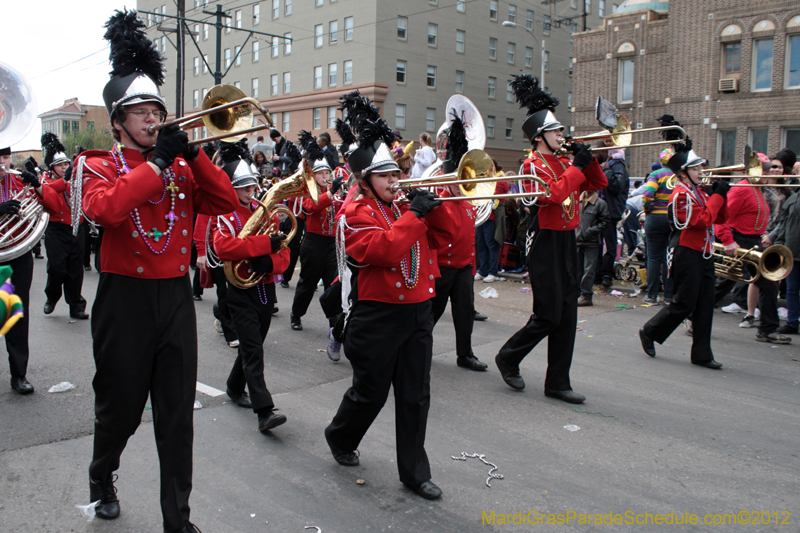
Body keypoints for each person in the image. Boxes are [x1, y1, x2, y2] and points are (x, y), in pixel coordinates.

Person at [78, 11, 238, 532]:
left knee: (176, 416)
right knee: (120, 412)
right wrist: (157, 166)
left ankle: (178, 520)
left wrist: (192, 152)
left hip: (173, 299)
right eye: (140, 113)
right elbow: (105, 210)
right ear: (118, 121)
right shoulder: (98, 164)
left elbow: (226, 198)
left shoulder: (181, 164)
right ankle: (103, 475)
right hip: (123, 301)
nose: (151, 120)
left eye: (156, 111)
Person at [324, 92, 445, 500]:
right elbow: (384, 249)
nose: (395, 182)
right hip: (377, 318)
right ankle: (340, 436)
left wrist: (435, 207)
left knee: (415, 396)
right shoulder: (354, 215)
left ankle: (414, 473)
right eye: (385, 177)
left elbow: (448, 239)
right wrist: (416, 215)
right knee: (370, 393)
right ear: (364, 181)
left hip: (417, 313)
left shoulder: (403, 207)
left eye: (396, 174)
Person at [494, 74, 607, 404]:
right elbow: (553, 195)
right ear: (540, 136)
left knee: (568, 314)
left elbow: (597, 186)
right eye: (557, 130)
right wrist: (576, 169)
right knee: (548, 313)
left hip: (568, 240)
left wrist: (589, 160)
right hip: (544, 240)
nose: (563, 134)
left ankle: (558, 381)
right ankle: (509, 356)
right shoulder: (532, 164)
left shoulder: (564, 161)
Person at [213, 143, 291, 433]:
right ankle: (264, 411)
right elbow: (223, 247)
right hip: (239, 292)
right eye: (244, 187)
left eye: (253, 185)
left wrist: (268, 263)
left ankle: (235, 388)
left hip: (265, 290)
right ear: (232, 190)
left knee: (252, 346)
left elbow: (283, 255)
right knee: (254, 349)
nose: (251, 192)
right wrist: (262, 247)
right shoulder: (226, 216)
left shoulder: (268, 216)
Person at [639, 140, 729, 368]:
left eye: (701, 168)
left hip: (705, 252)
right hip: (686, 252)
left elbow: (719, 218)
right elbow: (702, 220)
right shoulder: (680, 195)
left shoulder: (699, 192)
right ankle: (649, 331)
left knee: (706, 304)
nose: (701, 172)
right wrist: (716, 197)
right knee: (685, 302)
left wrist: (721, 195)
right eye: (696, 168)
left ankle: (702, 354)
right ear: (683, 173)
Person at [426, 110, 488, 371]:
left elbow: (469, 236)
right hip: (442, 267)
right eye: (458, 180)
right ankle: (417, 349)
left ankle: (465, 354)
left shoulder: (467, 201)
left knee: (465, 314)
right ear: (448, 179)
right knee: (431, 315)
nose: (463, 184)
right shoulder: (438, 201)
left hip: (463, 267)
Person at [713, 165, 791, 344]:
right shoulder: (742, 188)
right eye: (765, 170)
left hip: (754, 241)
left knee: (769, 281)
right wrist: (727, 240)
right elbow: (721, 217)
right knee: (724, 283)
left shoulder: (757, 189)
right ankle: (694, 316)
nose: (768, 174)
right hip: (739, 240)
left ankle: (768, 329)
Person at [289, 131, 343, 331]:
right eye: (321, 173)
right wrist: (331, 193)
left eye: (328, 173)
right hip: (313, 243)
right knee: (308, 283)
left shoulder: (334, 191)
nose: (326, 177)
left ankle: (334, 321)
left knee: (332, 284)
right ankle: (296, 313)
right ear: (313, 175)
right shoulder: (309, 191)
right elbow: (310, 207)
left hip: (331, 243)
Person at [35, 134, 89, 319]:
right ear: (52, 168)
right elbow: (49, 197)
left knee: (75, 269)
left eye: (66, 164)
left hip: (76, 228)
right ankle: (52, 296)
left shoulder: (75, 180)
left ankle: (76, 305)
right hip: (56, 230)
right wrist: (64, 182)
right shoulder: (46, 180)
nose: (64, 168)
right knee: (57, 268)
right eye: (60, 165)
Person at [0, 147, 40, 394]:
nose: (1, 163)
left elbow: (48, 204)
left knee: (15, 313)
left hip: (17, 254)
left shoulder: (18, 179)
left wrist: (37, 186)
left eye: (4, 157)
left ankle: (19, 374)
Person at [641, 116, 684, 305]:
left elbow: (647, 195)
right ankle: (668, 296)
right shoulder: (681, 176)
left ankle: (651, 295)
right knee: (670, 258)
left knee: (653, 257)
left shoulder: (656, 174)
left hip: (655, 218)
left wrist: (647, 208)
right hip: (672, 218)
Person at [597, 145, 629, 288]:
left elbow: (616, 186)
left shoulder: (616, 166)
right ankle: (597, 273)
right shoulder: (606, 166)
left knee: (610, 245)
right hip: (600, 210)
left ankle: (606, 275)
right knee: (596, 244)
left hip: (610, 211)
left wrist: (608, 170)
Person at [576, 189, 611, 306]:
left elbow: (605, 222)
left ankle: (586, 295)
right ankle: (578, 294)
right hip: (578, 240)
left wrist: (590, 231)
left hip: (591, 242)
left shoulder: (600, 203)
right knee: (578, 269)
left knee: (588, 270)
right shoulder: (576, 201)